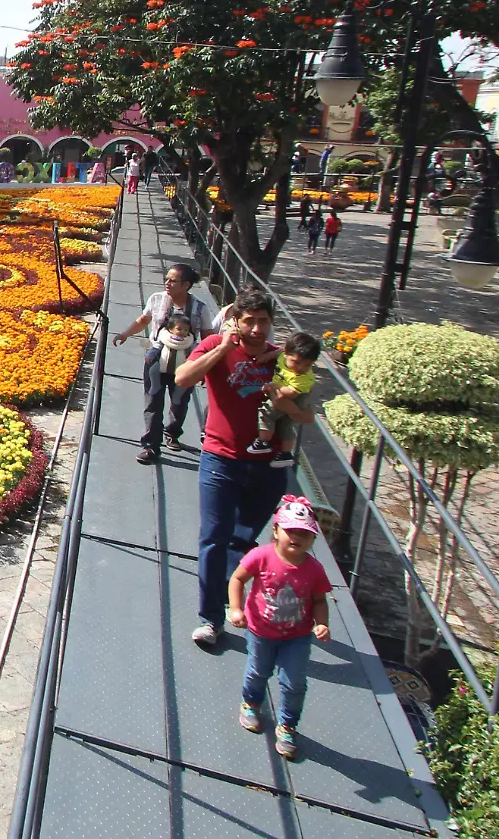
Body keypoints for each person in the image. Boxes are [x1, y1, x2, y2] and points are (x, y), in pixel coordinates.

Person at [175, 287, 314, 648]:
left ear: (271, 323)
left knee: (243, 538)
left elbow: (306, 417)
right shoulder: (215, 348)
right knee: (213, 538)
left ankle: (227, 590)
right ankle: (210, 618)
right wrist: (222, 348)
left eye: (263, 322)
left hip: (267, 467)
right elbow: (183, 379)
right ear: (235, 321)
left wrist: (284, 401)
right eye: (249, 321)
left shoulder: (283, 359)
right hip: (220, 459)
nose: (256, 329)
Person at [229, 495, 334, 761]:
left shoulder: (314, 569)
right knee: (258, 671)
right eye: (290, 531)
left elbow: (319, 600)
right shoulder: (261, 556)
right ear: (276, 530)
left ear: (312, 540)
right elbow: (238, 579)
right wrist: (236, 608)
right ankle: (251, 703)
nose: (296, 538)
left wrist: (322, 623)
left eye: (304, 534)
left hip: (296, 637)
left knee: (294, 681)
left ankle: (287, 725)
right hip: (261, 631)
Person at [111, 263, 215, 464]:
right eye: (166, 279)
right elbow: (144, 320)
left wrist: (205, 367)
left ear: (186, 285)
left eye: (173, 280)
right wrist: (125, 333)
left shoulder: (200, 308)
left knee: (179, 402)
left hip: (186, 362)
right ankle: (151, 446)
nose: (167, 283)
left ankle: (173, 432)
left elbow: (208, 337)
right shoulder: (157, 299)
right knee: (153, 401)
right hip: (157, 359)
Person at [247, 333, 321, 467]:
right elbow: (278, 352)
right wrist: (266, 356)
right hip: (287, 393)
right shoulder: (283, 355)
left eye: (307, 365)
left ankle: (263, 442)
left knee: (266, 414)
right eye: (296, 362)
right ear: (287, 354)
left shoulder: (304, 377)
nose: (300, 368)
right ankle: (286, 454)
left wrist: (273, 387)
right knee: (286, 426)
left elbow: (291, 394)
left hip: (293, 396)